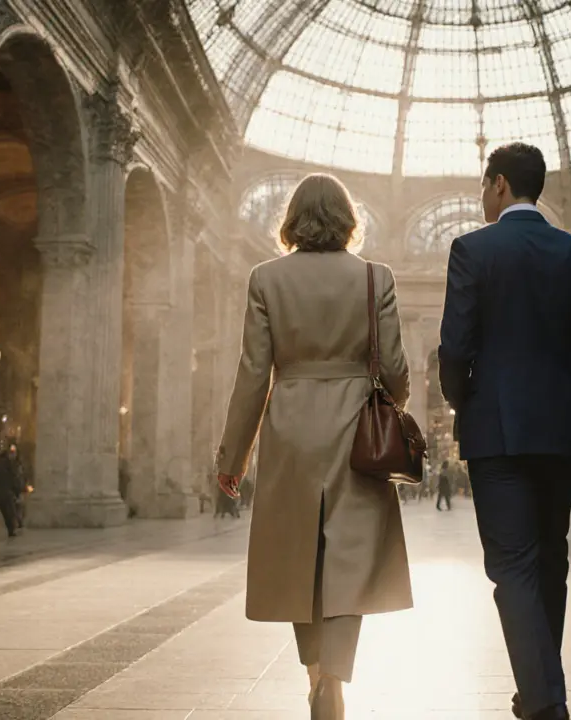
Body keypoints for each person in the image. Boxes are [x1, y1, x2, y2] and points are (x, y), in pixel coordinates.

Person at [215, 174, 413, 720]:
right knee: (351, 562)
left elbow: (253, 374)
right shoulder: (376, 277)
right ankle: (333, 680)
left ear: (292, 219)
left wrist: (233, 456)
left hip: (290, 431)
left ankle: (314, 675)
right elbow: (396, 372)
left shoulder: (265, 278)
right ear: (348, 219)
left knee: (298, 559)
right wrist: (386, 397)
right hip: (357, 434)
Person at [438, 142, 571, 720]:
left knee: (511, 566)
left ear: (498, 184)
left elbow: (454, 347)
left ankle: (545, 703)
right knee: (550, 560)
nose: (481, 197)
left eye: (482, 186)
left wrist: (464, 401)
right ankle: (537, 689)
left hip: (496, 433)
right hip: (562, 433)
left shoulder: (472, 249)